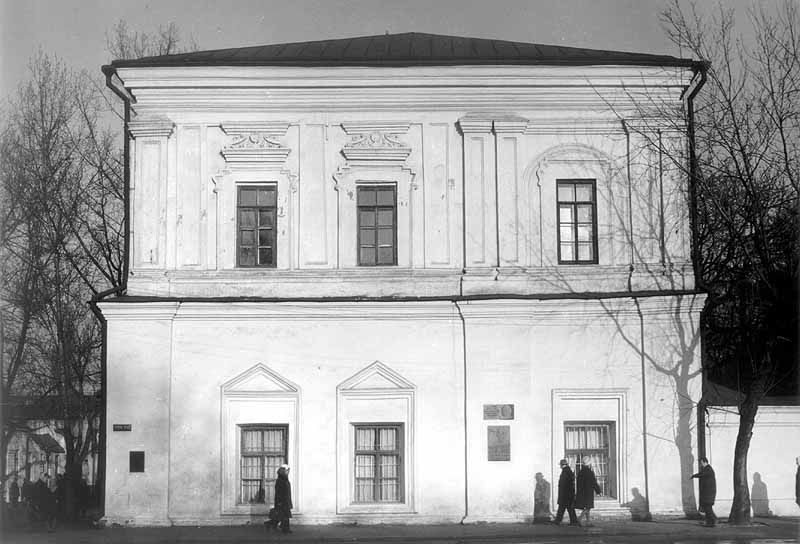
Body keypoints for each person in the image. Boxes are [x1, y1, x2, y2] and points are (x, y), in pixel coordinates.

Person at [575, 456, 602, 526]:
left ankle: (588, 522)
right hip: (588, 493)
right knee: (588, 507)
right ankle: (579, 519)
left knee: (587, 507)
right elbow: (594, 483)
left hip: (581, 493)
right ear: (589, 463)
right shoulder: (590, 472)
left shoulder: (580, 472)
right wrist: (598, 491)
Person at [691, 456, 717, 527]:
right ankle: (711, 521)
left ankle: (712, 521)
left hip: (709, 492)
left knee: (708, 508)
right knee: (707, 507)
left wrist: (693, 475)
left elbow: (701, 474)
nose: (700, 464)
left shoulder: (708, 469)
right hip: (708, 492)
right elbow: (702, 474)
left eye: (701, 463)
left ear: (704, 462)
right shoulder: (707, 469)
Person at [553, 459, 579, 526]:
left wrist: (562, 495)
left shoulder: (565, 471)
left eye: (560, 465)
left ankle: (559, 521)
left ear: (562, 465)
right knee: (567, 509)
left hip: (565, 495)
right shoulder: (568, 471)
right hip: (568, 494)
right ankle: (572, 521)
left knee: (565, 508)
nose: (560, 466)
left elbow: (563, 484)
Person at [273, 464, 293, 534]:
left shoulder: (285, 479)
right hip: (282, 501)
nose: (288, 472)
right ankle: (284, 529)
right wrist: (279, 502)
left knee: (285, 515)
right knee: (283, 515)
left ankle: (285, 528)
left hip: (286, 500)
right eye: (287, 471)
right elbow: (278, 492)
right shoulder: (280, 480)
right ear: (284, 471)